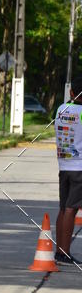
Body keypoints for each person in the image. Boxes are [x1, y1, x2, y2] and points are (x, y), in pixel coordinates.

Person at [55, 75, 82, 264]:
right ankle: (64, 253)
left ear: (71, 92)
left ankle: (59, 250)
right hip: (79, 167)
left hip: (64, 165)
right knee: (72, 209)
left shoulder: (61, 109)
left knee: (64, 209)